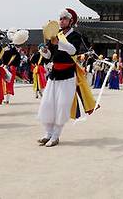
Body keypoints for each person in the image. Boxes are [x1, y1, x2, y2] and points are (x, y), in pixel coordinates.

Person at [37, 8, 96, 147]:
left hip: (68, 74)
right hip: (54, 74)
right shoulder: (55, 35)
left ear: (71, 21)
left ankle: (56, 136)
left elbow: (73, 50)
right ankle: (48, 133)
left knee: (61, 106)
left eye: (64, 18)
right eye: (61, 18)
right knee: (48, 104)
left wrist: (59, 42)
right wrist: (44, 51)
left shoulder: (75, 35)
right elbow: (49, 55)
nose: (61, 21)